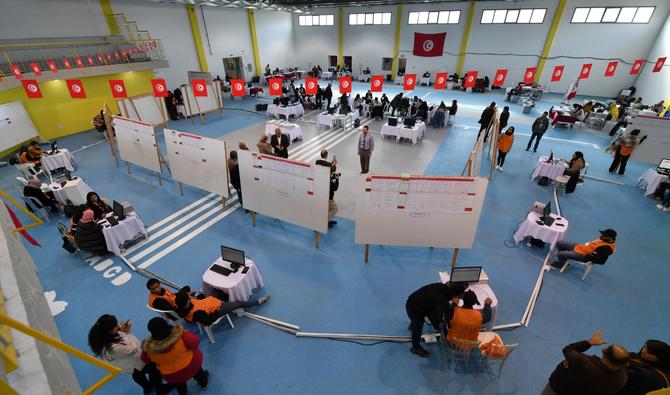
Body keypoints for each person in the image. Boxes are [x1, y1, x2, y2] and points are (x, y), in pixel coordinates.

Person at [88, 314, 165, 395]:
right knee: (154, 367)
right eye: (115, 326)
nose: (118, 327)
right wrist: (126, 333)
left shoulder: (100, 337)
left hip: (128, 365)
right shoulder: (113, 349)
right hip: (135, 361)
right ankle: (160, 389)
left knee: (137, 374)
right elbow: (133, 349)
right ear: (109, 331)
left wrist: (120, 330)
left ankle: (147, 388)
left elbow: (120, 337)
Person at [543, 330, 630, 395]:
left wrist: (589, 342)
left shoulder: (586, 364)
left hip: (558, 389)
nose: (603, 349)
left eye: (606, 351)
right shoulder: (622, 378)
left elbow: (568, 350)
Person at [141, 318, 209, 395]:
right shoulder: (182, 337)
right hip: (191, 366)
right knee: (199, 373)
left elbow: (144, 359)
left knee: (179, 385)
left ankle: (183, 393)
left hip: (171, 375)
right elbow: (195, 341)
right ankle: (204, 384)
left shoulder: (148, 350)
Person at [405, 282, 467, 357]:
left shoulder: (441, 286)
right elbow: (435, 319)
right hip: (416, 310)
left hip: (411, 300)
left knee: (415, 319)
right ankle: (416, 348)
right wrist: (437, 326)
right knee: (417, 329)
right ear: (455, 295)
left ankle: (412, 325)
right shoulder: (441, 302)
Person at [174, 288, 270, 326]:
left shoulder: (181, 306)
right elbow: (208, 321)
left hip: (210, 301)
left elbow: (197, 302)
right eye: (189, 298)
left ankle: (230, 297)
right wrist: (217, 311)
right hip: (218, 308)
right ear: (186, 303)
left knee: (216, 289)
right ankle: (258, 301)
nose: (190, 298)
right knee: (238, 304)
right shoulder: (196, 314)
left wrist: (199, 297)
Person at [550, 229, 617, 269]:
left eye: (604, 235)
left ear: (609, 238)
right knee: (559, 243)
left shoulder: (606, 249)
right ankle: (564, 260)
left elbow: (601, 261)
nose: (601, 236)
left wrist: (588, 257)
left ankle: (561, 264)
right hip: (581, 247)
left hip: (584, 256)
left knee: (560, 254)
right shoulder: (604, 239)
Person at [315, 150, 340, 228]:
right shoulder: (329, 165)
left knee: (325, 207)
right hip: (328, 195)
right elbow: (333, 169)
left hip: (320, 190)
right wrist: (334, 164)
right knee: (334, 208)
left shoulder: (317, 162)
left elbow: (327, 166)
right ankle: (325, 220)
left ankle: (328, 221)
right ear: (326, 155)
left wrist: (331, 164)